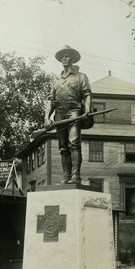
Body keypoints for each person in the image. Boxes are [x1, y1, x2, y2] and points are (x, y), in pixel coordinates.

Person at [44, 45, 92, 184]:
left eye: (67, 55)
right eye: (63, 56)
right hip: (59, 114)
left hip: (74, 112)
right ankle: (66, 176)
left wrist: (87, 110)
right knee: (63, 147)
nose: (65, 58)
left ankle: (76, 175)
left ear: (73, 58)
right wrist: (46, 118)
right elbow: (51, 101)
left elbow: (87, 95)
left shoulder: (81, 77)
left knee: (74, 143)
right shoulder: (56, 80)